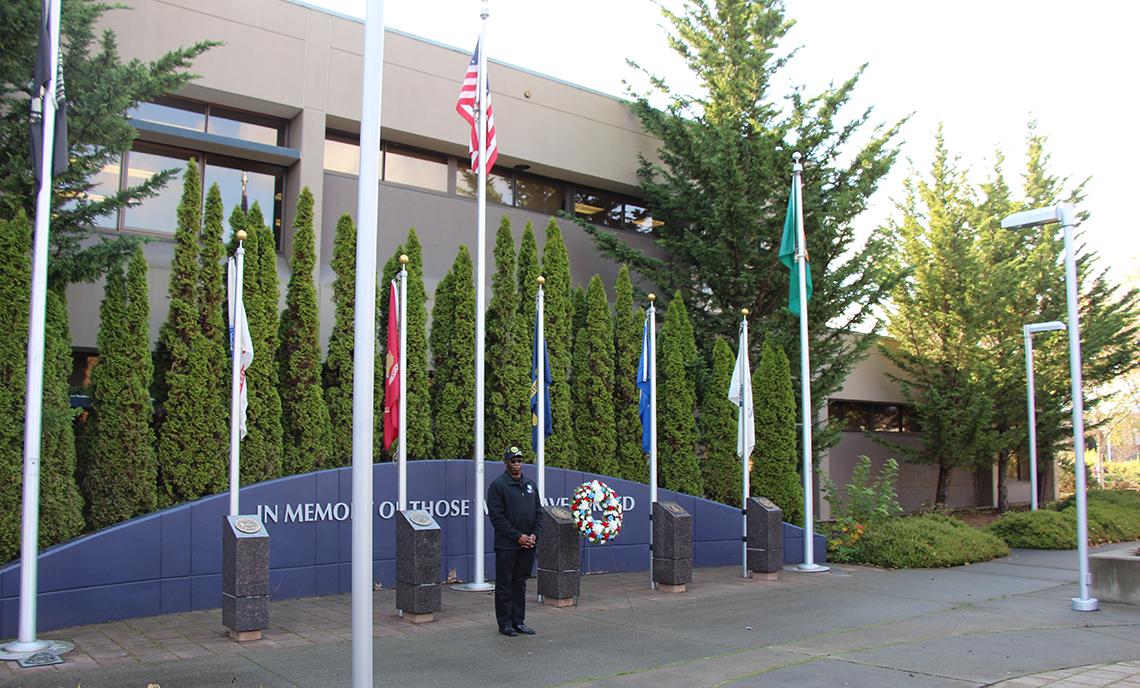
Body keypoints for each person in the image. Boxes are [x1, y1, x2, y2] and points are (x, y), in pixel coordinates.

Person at [487, 445, 543, 637]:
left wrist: (534, 535)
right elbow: (497, 518)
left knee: (520, 583)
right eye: (513, 461)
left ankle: (518, 621)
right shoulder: (498, 485)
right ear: (506, 463)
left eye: (520, 461)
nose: (517, 464)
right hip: (507, 545)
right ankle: (505, 624)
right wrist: (517, 537)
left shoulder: (530, 484)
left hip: (528, 545)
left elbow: (538, 513)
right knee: (505, 583)